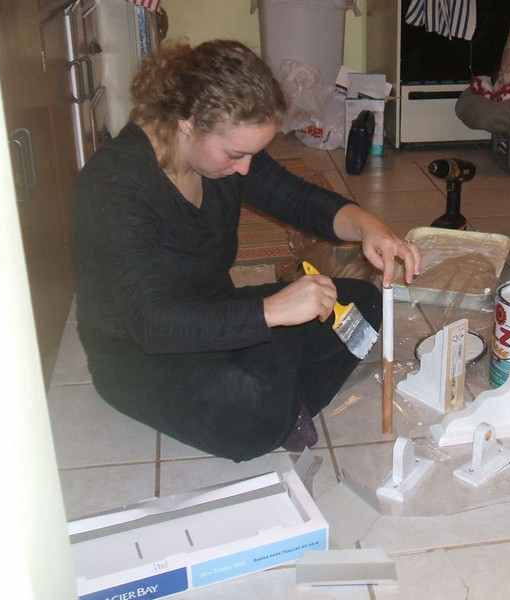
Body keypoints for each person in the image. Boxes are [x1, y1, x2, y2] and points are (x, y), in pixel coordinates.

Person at [73, 40, 420, 462]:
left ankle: (278, 394)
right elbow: (151, 323)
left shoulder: (223, 156)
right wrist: (271, 313)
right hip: (139, 350)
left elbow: (296, 198)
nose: (245, 170)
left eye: (252, 154)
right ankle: (274, 397)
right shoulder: (114, 184)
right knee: (249, 406)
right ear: (186, 123)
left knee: (364, 305)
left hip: (217, 315)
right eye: (236, 154)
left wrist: (370, 227)